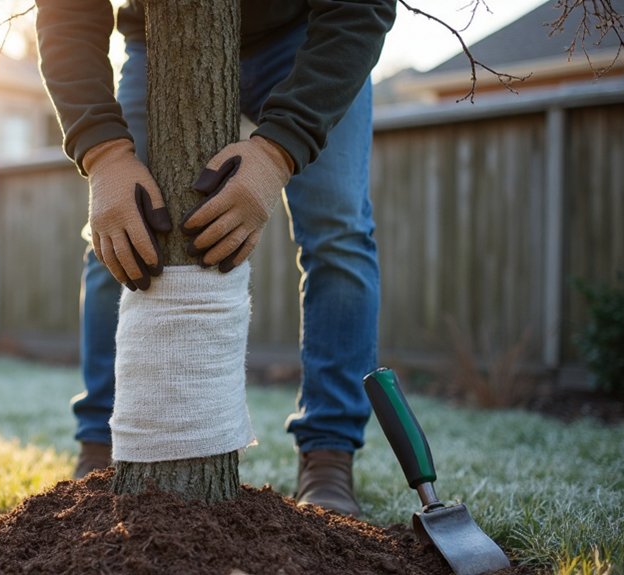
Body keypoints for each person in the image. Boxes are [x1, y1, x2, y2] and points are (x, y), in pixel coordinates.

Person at [35, 0, 395, 516]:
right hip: (165, 40)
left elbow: (361, 9)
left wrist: (277, 153)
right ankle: (101, 445)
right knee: (118, 230)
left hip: (310, 34)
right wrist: (105, 155)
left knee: (340, 236)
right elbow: (67, 13)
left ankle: (328, 456)